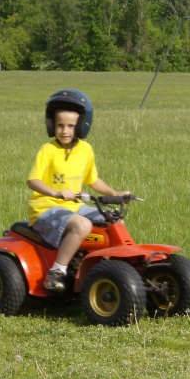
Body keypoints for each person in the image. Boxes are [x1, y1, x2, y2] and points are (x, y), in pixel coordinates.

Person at [27, 89, 128, 292]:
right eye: (60, 125)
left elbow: (93, 180)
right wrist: (56, 193)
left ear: (82, 126)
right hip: (46, 208)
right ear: (51, 125)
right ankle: (57, 271)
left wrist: (115, 194)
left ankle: (110, 267)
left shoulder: (85, 150)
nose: (65, 131)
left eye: (71, 126)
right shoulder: (47, 150)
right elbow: (33, 180)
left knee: (114, 219)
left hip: (74, 207)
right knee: (82, 225)